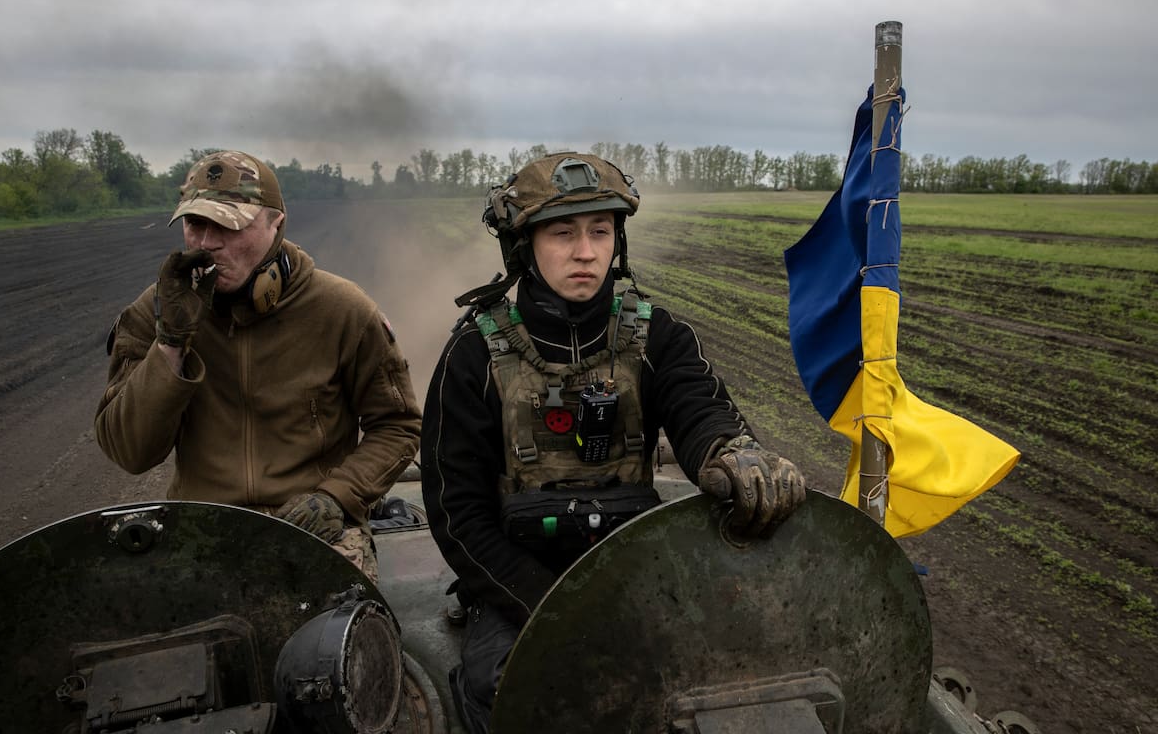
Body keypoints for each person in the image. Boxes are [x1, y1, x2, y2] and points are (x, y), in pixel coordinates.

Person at [419, 151, 806, 732]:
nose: (585, 251)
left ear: (617, 240)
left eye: (601, 231)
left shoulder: (657, 337)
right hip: (519, 581)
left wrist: (731, 452)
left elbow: (699, 409)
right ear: (523, 246)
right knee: (508, 689)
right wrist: (549, 611)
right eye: (563, 233)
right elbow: (458, 515)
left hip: (634, 568)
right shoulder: (473, 354)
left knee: (720, 670)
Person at [95, 150, 421, 581]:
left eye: (230, 224)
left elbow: (397, 424)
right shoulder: (153, 314)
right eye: (196, 224)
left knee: (336, 629)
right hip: (202, 527)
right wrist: (170, 345)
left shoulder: (343, 311)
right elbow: (130, 452)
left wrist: (338, 498)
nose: (207, 242)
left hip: (315, 525)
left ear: (276, 224)